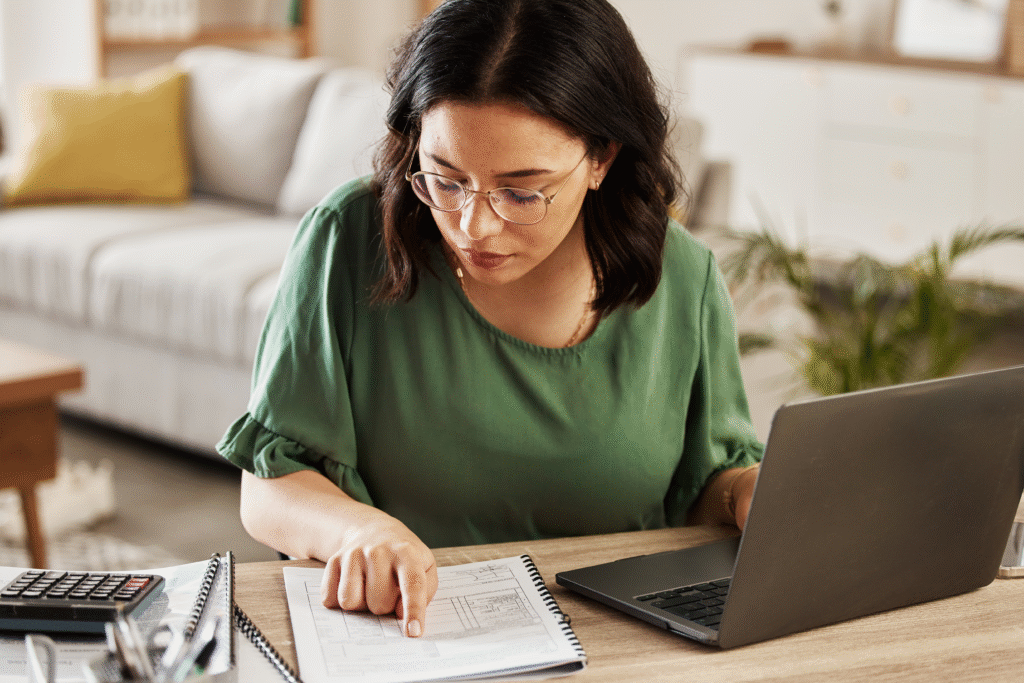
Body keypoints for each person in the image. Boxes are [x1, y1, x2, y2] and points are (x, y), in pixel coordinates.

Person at [217, 0, 763, 640]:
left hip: (627, 644)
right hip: (410, 638)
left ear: (601, 159)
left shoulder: (685, 280)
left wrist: (749, 493)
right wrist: (358, 529)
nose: (473, 226)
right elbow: (270, 484)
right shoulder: (348, 238)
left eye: (522, 192)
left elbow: (710, 486)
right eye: (444, 180)